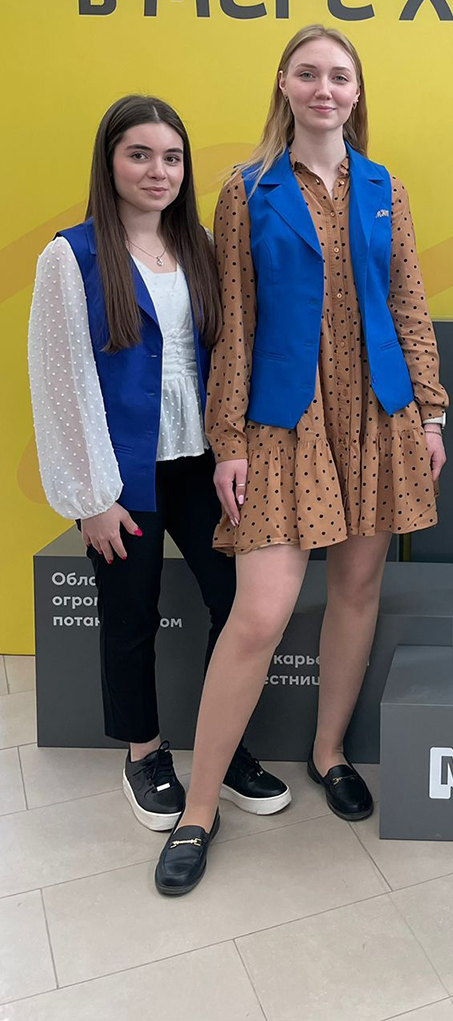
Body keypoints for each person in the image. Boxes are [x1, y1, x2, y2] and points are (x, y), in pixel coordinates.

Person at [155, 24, 448, 895]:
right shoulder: (246, 190)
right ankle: (198, 809)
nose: (326, 89)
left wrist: (431, 410)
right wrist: (229, 440)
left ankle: (328, 753)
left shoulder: (386, 187)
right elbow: (232, 323)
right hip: (283, 418)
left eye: (340, 76)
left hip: (378, 411)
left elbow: (409, 302)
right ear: (284, 83)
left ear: (357, 92)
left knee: (357, 590)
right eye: (310, 73)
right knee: (260, 615)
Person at [27, 95, 288, 831]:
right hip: (122, 476)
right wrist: (91, 498)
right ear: (109, 161)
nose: (157, 171)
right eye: (139, 154)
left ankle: (222, 747)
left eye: (171, 157)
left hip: (201, 463)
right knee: (131, 614)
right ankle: (144, 753)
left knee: (238, 602)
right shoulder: (71, 256)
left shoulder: (199, 247)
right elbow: (59, 382)